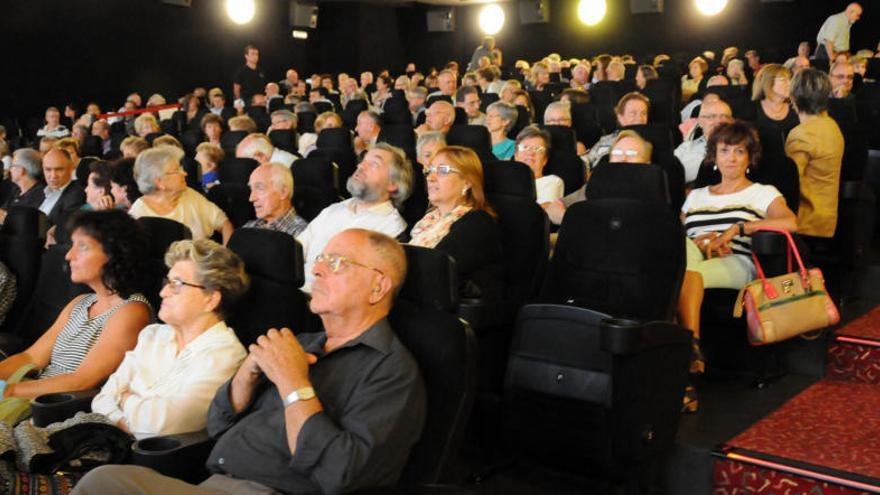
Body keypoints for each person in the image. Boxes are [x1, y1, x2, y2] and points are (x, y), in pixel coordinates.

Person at [73, 228, 426, 495]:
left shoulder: (391, 371)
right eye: (319, 259)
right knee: (101, 479)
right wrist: (245, 378)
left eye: (335, 263)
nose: (317, 270)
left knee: (101, 484)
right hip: (212, 481)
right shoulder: (300, 343)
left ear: (378, 287)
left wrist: (293, 384)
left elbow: (342, 473)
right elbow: (217, 425)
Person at [91, 239, 248, 439]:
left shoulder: (226, 356)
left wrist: (123, 398)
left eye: (177, 284)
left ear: (211, 299)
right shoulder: (152, 335)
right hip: (102, 441)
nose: (162, 292)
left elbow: (162, 424)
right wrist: (131, 419)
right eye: (167, 282)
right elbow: (101, 399)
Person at [678, 121, 797, 385]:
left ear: (750, 158)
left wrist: (737, 229)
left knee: (680, 273)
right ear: (713, 157)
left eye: (739, 151)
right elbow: (676, 236)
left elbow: (791, 223)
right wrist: (701, 244)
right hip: (694, 260)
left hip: (736, 261)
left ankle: (688, 350)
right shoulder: (695, 195)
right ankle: (689, 355)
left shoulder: (762, 193)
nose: (731, 158)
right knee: (681, 257)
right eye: (724, 150)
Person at [0, 210, 152, 401]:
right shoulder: (79, 303)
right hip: (30, 396)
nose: (69, 256)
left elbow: (81, 381)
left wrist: (8, 391)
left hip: (57, 409)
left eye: (82, 247)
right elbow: (30, 358)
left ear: (114, 254)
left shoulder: (131, 311)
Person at [297, 143, 412, 292]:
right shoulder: (333, 209)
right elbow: (296, 252)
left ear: (392, 184)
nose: (361, 166)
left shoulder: (392, 230)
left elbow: (358, 290)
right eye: (363, 160)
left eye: (374, 164)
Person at [409, 146, 503, 301]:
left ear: (467, 182)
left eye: (442, 170)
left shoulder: (478, 222)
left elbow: (435, 268)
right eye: (430, 170)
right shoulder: (428, 220)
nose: (430, 177)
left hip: (448, 311)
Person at [543, 130, 653, 225]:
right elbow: (554, 207)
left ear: (646, 164)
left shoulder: (653, 190)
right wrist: (576, 221)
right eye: (617, 153)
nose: (623, 158)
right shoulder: (597, 184)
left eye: (631, 153)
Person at [785, 68, 844, 239]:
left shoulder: (802, 134)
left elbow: (791, 184)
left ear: (794, 98)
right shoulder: (831, 125)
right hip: (827, 219)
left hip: (806, 223)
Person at [130, 147, 233, 242]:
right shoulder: (138, 215)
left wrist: (226, 254)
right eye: (176, 170)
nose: (185, 173)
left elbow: (224, 224)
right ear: (160, 182)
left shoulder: (189, 195)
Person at [585, 92, 650, 170]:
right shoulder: (605, 140)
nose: (640, 118)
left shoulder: (653, 142)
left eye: (643, 113)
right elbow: (586, 163)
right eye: (633, 113)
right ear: (620, 117)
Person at [675, 98, 733, 183]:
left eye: (724, 116)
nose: (718, 121)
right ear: (700, 122)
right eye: (711, 117)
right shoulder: (685, 148)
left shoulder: (743, 149)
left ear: (732, 122)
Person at [243, 162, 308, 237]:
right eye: (251, 189)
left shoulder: (301, 233)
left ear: (283, 192)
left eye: (259, 188)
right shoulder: (248, 227)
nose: (251, 198)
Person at [751, 64, 799, 155]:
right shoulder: (751, 110)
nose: (789, 83)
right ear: (768, 82)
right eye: (783, 79)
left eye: (789, 79)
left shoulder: (795, 109)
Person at [514, 125, 563, 204]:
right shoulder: (503, 181)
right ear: (516, 155)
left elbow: (542, 211)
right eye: (524, 147)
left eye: (537, 149)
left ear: (544, 160)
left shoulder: (551, 182)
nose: (530, 153)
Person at [39, 148, 86, 226]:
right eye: (48, 170)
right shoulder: (40, 192)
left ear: (71, 168)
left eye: (59, 170)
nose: (53, 176)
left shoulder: (77, 195)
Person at [0, 149, 44, 224]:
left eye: (12, 166)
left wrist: (6, 219)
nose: (10, 170)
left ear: (21, 170)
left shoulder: (40, 195)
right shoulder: (16, 190)